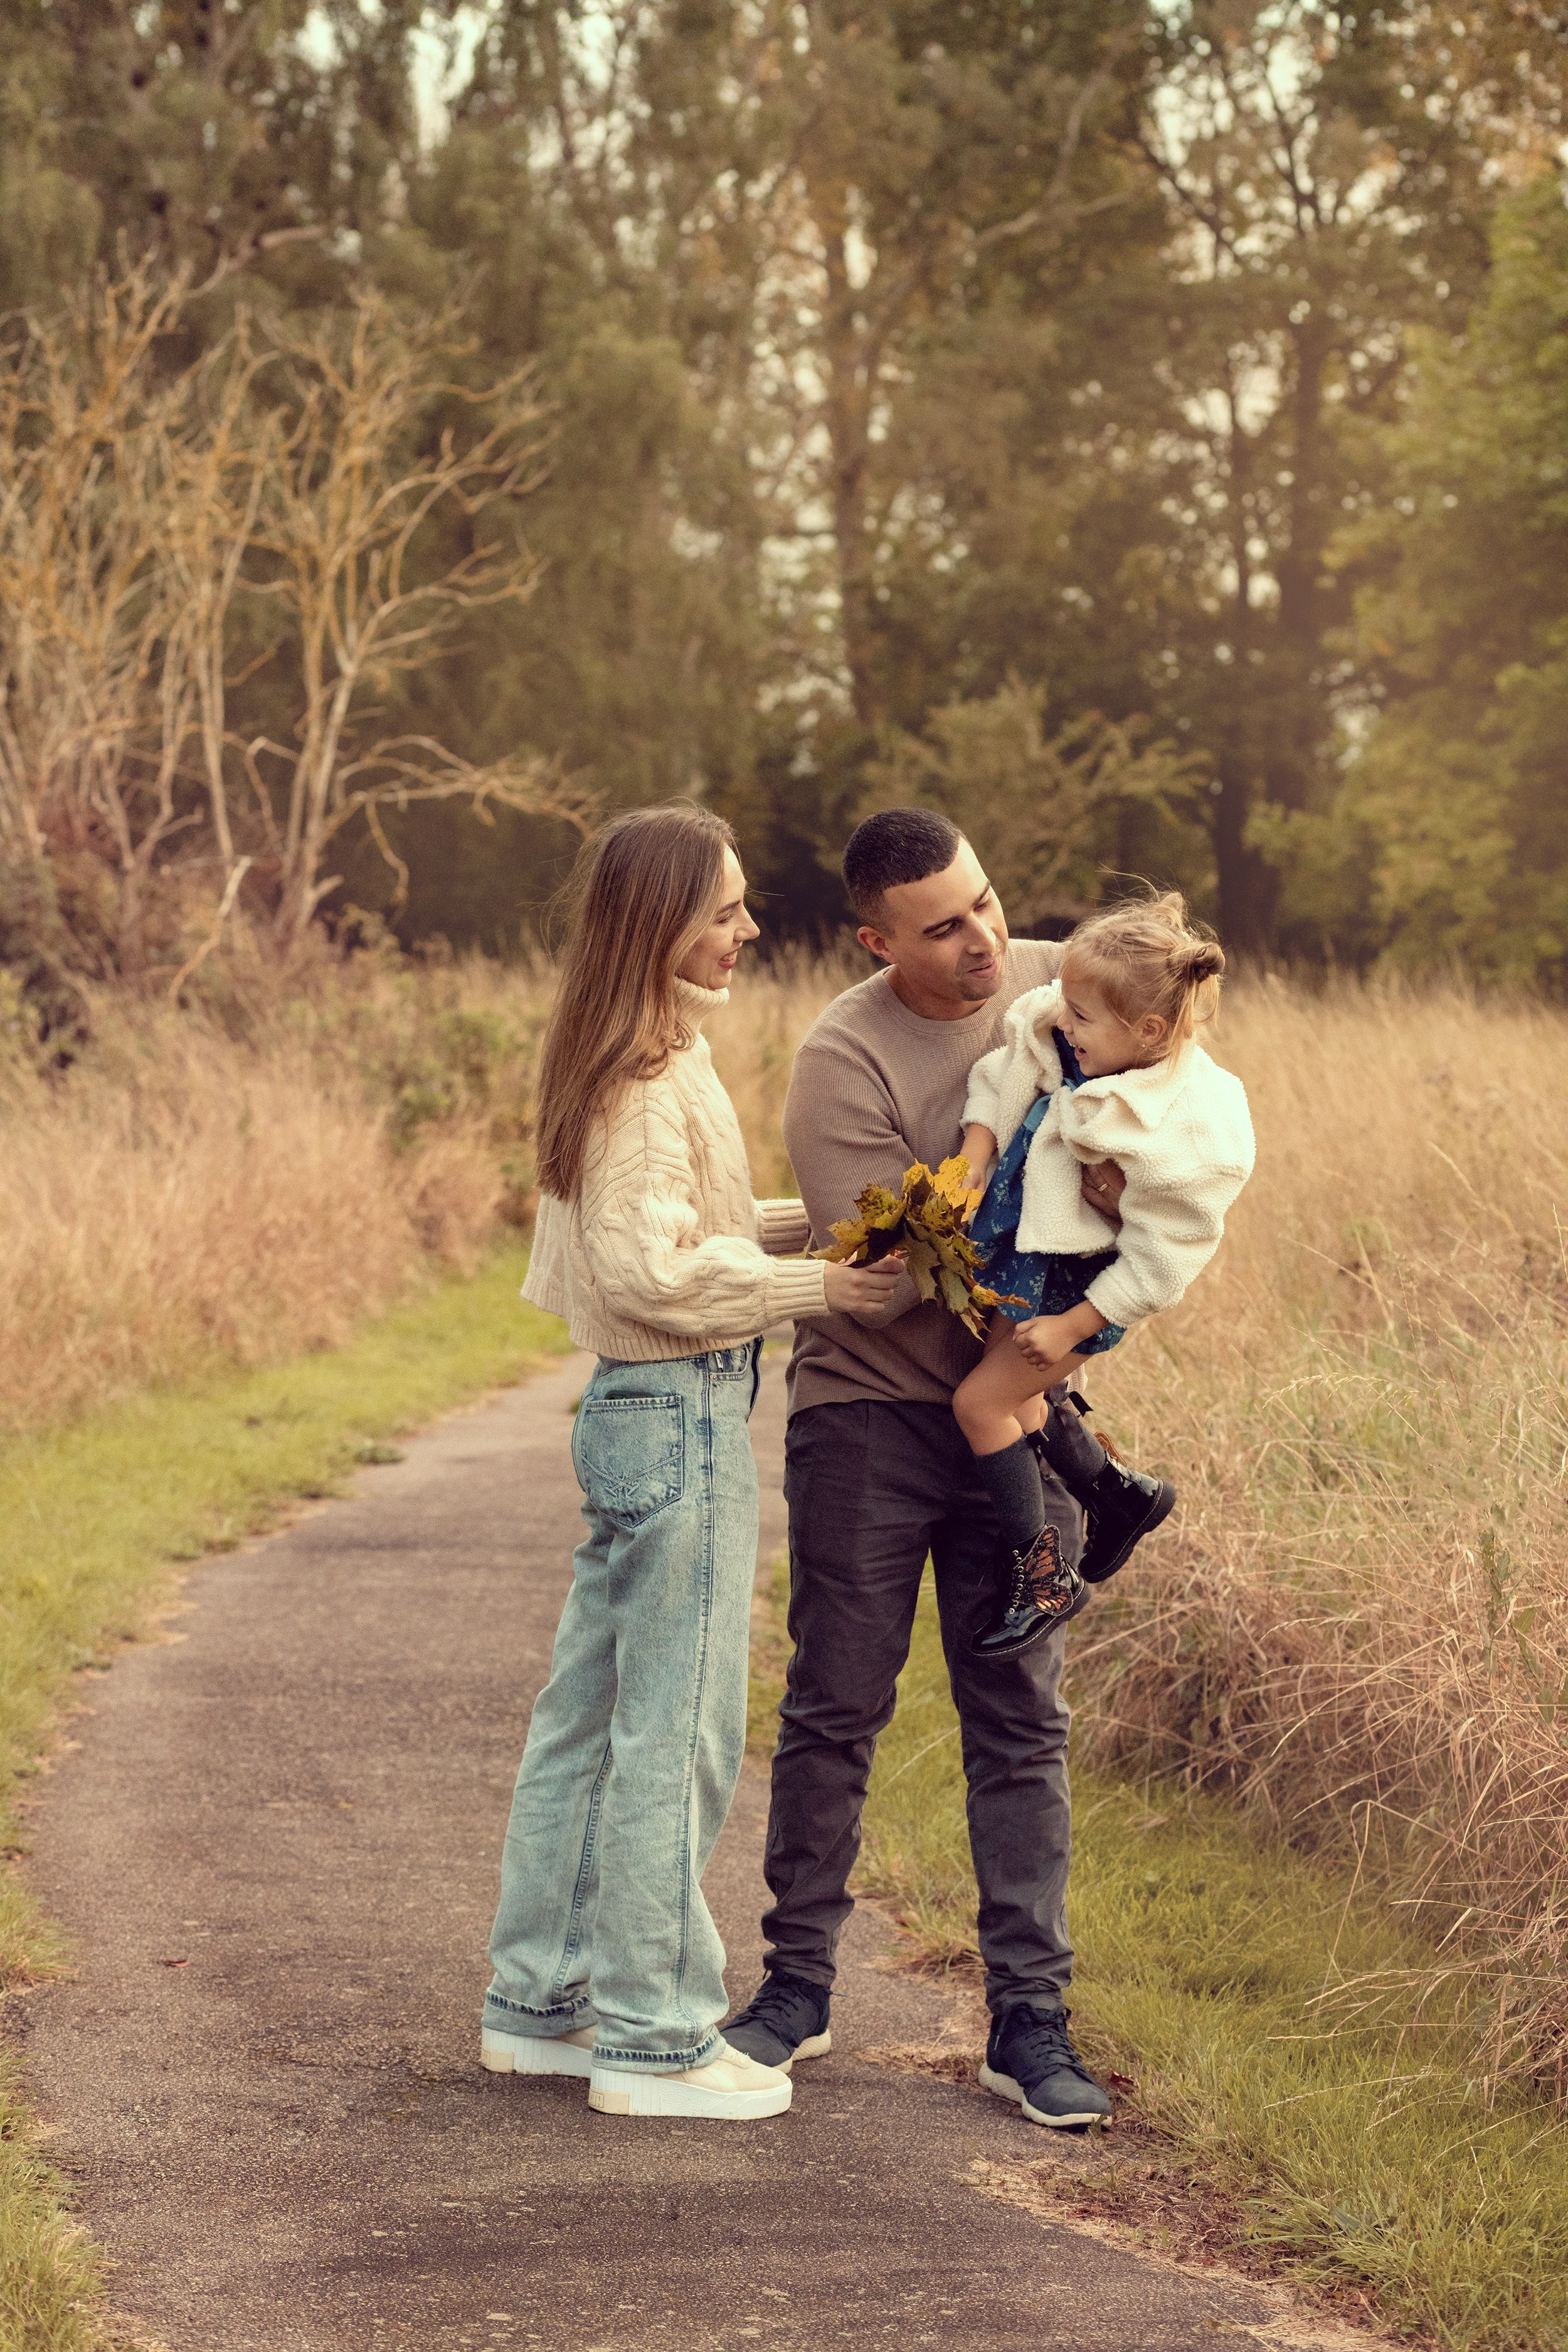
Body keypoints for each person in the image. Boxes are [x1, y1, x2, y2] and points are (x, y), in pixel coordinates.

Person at [723, 808, 1173, 2132]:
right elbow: (906, 1275)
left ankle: (1027, 2020)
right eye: (941, 927)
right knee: (836, 1704)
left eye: (984, 904)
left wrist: (1128, 1201)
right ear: (876, 940)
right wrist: (1067, 1229)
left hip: (1018, 1415)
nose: (983, 941)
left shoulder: (1056, 980)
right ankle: (793, 1991)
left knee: (1018, 1717)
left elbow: (1176, 1071)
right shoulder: (839, 1058)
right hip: (868, 1422)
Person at [480, 803, 904, 2124]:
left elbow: (684, 1230)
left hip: (636, 1414)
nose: (745, 927)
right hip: (675, 1415)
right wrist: (821, 1299)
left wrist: (828, 1235)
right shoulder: (648, 1082)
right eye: (723, 907)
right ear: (657, 918)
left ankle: (538, 2004)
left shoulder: (635, 1057)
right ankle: (654, 2039)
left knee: (588, 1721)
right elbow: (644, 1269)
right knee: (680, 1730)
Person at [955, 892, 1256, 1663]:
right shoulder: (1074, 1038)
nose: (1063, 1021)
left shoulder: (1181, 1125)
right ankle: (1119, 1495)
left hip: (1077, 1296)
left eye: (1082, 1015)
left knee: (980, 1405)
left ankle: (1045, 1578)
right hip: (1022, 1264)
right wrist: (975, 1154)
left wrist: (1073, 1326)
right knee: (1016, 1403)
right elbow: (1001, 1069)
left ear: (1147, 1031)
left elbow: (1165, 1260)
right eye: (1067, 1004)